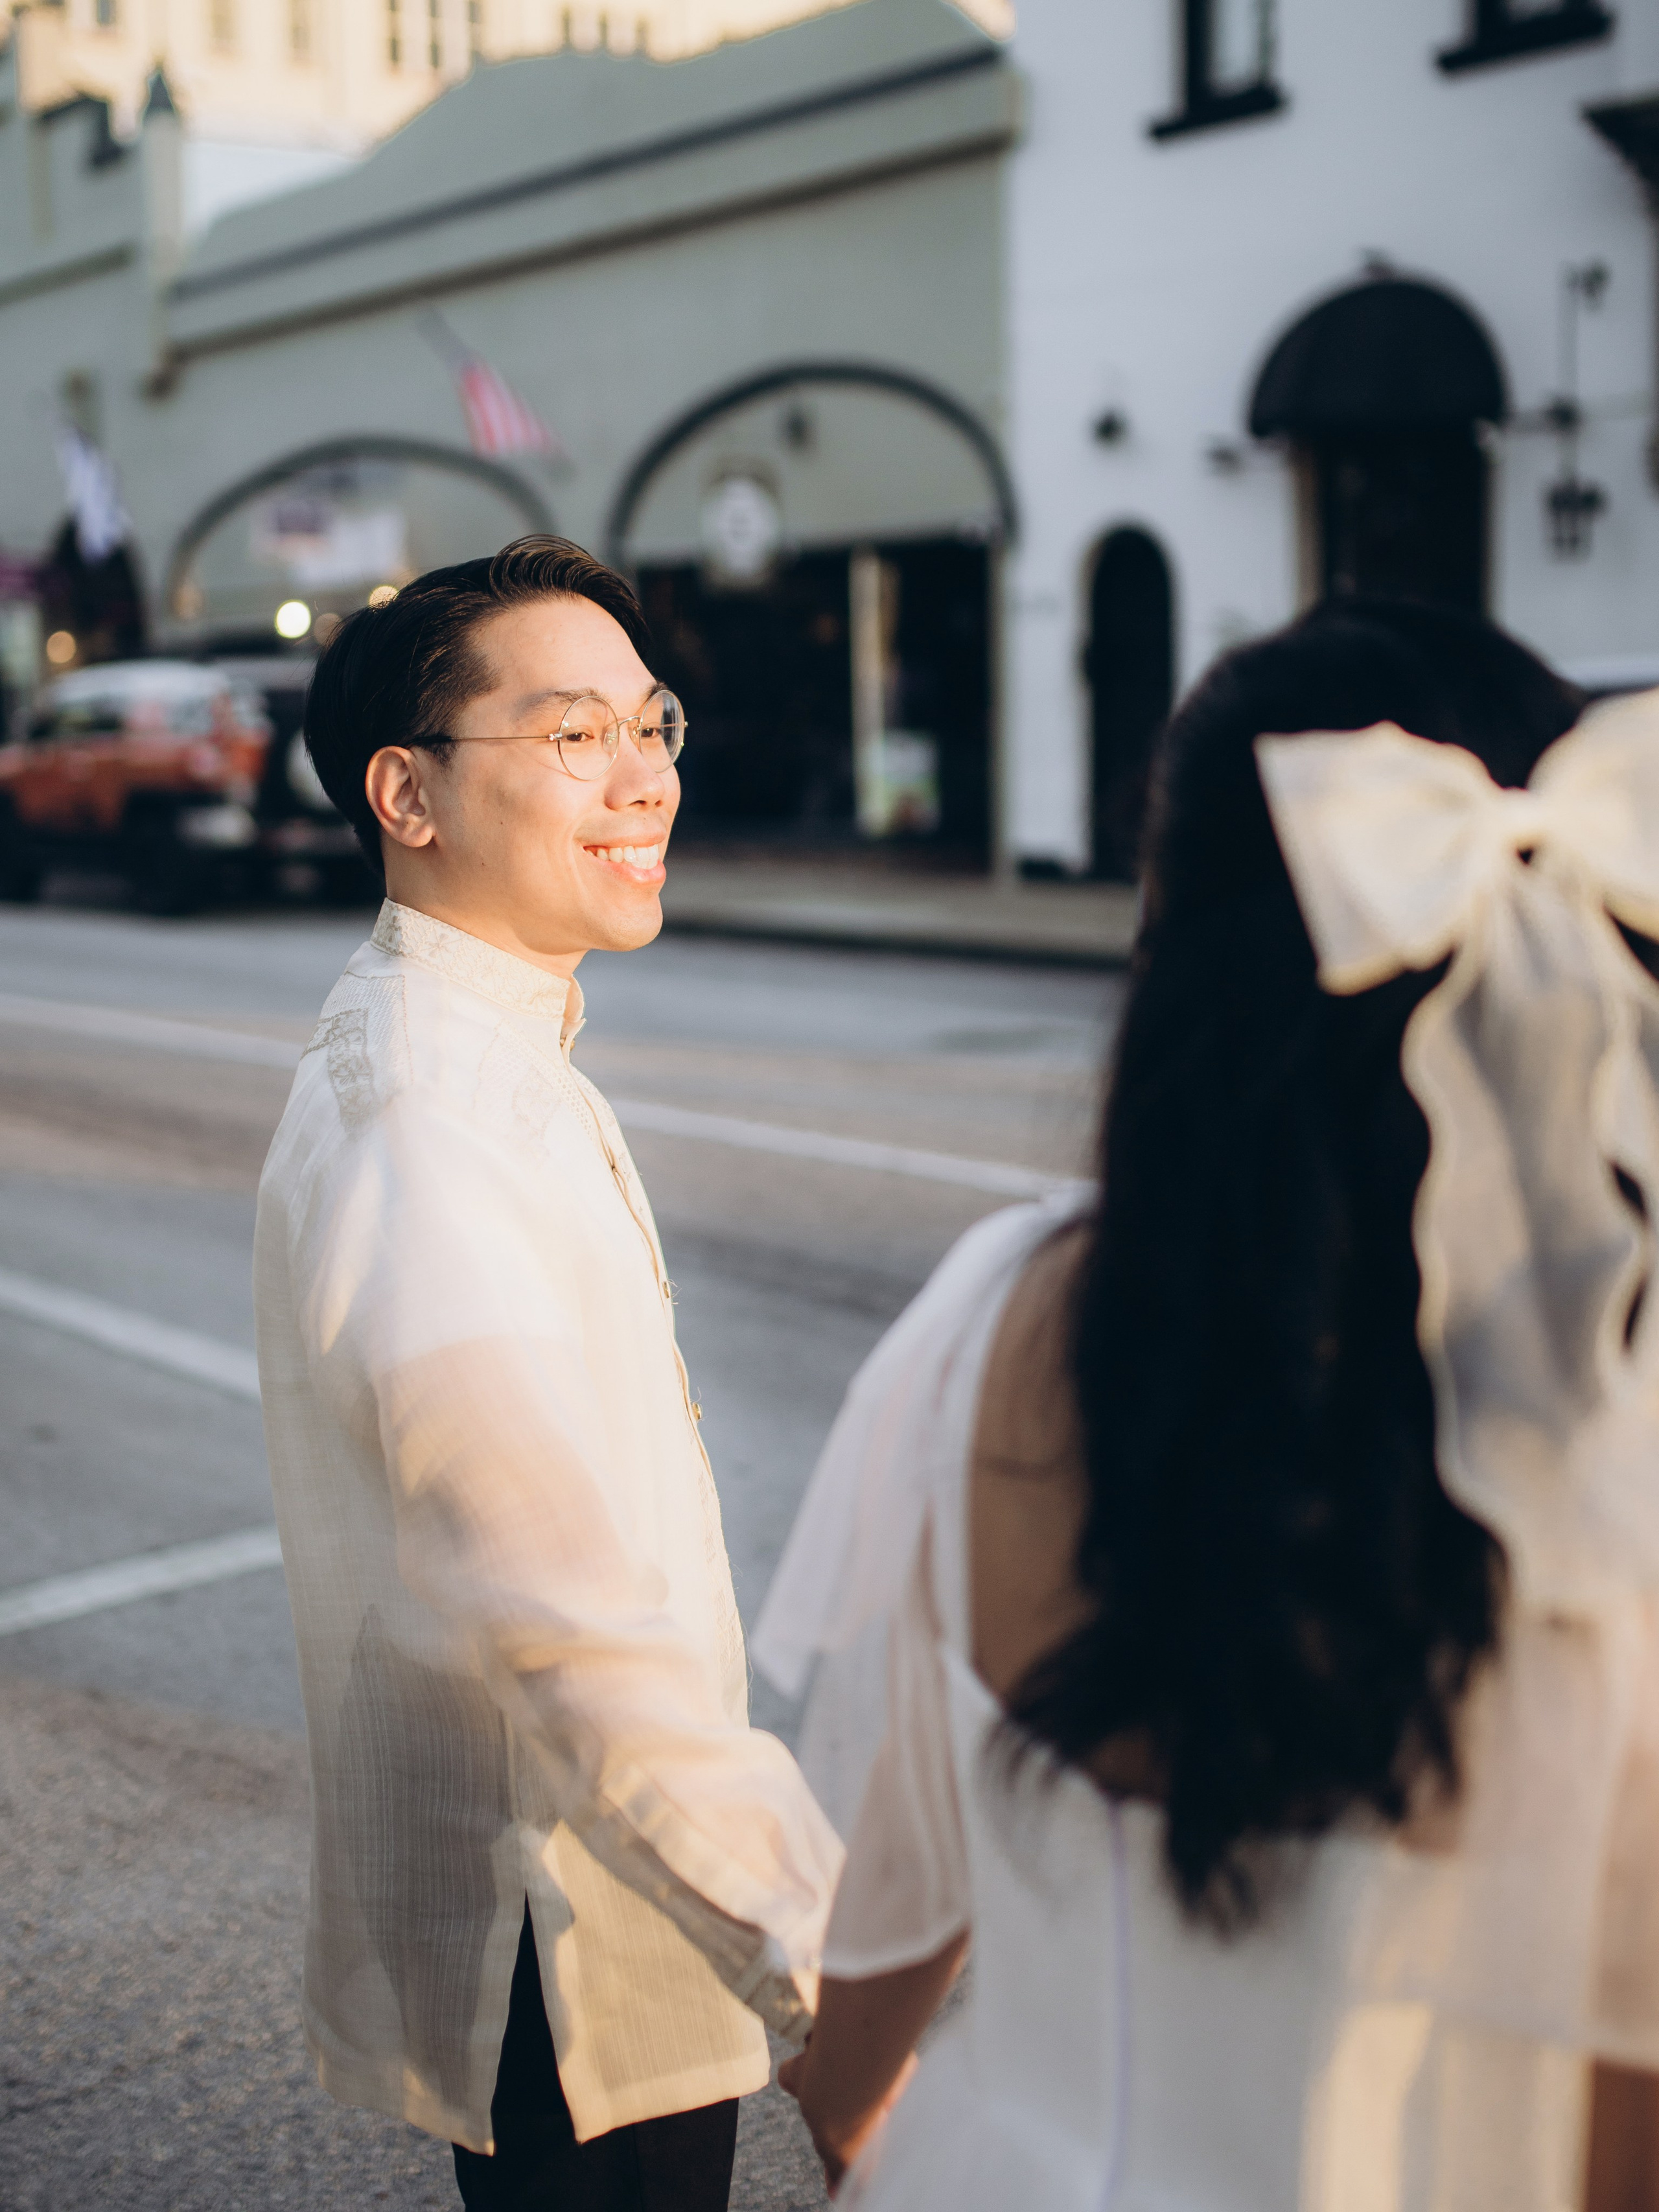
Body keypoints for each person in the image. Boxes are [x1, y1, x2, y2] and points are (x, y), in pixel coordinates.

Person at [755, 598, 1659, 2211]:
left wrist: (858, 2100)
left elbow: (901, 1851)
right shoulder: (1610, 1409)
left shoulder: (995, 1318)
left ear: (1169, 944)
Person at [253, 537, 842, 2212]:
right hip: (570, 1928)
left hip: (594, 1891)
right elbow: (550, 1599)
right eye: (574, 734)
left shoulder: (484, 1046)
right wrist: (817, 1959)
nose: (644, 777)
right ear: (408, 794)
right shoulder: (425, 1119)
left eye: (651, 724)